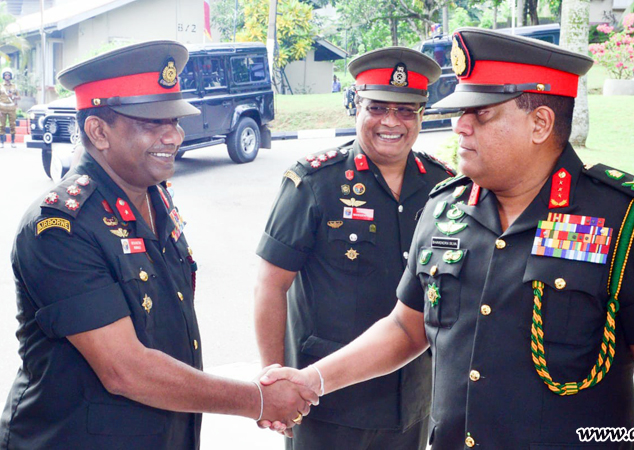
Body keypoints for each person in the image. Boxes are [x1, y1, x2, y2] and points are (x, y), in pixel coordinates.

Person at [259, 28, 634, 448]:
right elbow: (406, 327)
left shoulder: (625, 219)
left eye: (481, 113)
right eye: (461, 112)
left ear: (540, 123)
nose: (460, 127)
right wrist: (312, 380)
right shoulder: (443, 208)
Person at [0, 41, 316, 450]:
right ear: (98, 131)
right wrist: (257, 400)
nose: (175, 135)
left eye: (175, 120)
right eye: (152, 123)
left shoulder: (153, 195)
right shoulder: (59, 227)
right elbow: (125, 369)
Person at [254, 47, 454, 450]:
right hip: (327, 400)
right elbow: (270, 285)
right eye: (377, 108)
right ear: (356, 107)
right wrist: (274, 384)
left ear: (421, 115)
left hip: (413, 396)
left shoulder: (441, 185)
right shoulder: (314, 183)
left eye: (406, 111)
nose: (391, 122)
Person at [0, 68, 20, 148]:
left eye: (8, 75)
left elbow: (19, 97)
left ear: (11, 76)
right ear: (3, 76)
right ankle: (2, 142)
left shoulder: (14, 86)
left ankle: (12, 142)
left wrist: (13, 96)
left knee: (12, 125)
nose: (7, 76)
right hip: (2, 108)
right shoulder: (1, 86)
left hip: (11, 108)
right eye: (6, 75)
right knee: (2, 125)